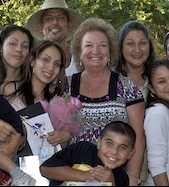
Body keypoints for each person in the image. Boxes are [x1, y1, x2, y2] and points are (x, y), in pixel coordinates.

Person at [66, 17, 146, 186]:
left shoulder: (126, 85)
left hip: (115, 178)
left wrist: (131, 179)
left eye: (102, 45)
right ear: (79, 52)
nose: (96, 51)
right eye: (88, 45)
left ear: (110, 52)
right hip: (73, 177)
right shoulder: (65, 86)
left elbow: (138, 135)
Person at [116, 20, 155, 185]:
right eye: (130, 44)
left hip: (155, 165)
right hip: (117, 165)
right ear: (121, 48)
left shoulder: (159, 79)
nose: (137, 49)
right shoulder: (111, 80)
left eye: (142, 43)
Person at [40, 121, 136, 186]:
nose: (114, 152)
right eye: (109, 143)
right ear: (99, 143)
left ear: (130, 154)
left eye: (122, 148)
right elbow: (45, 169)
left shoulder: (121, 177)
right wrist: (85, 176)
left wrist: (109, 184)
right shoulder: (83, 149)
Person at [27, 0, 84, 76]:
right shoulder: (31, 62)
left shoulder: (82, 59)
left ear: (69, 25)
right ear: (41, 26)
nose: (55, 22)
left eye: (61, 17)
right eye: (48, 18)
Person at [0, 95, 36, 186]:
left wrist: (12, 144)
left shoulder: (0, 102)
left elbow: (17, 122)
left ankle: (19, 176)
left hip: (6, 153)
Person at [0, 25, 34, 108]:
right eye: (13, 43)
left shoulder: (33, 86)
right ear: (1, 47)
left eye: (25, 46)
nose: (19, 49)